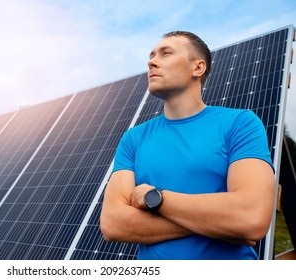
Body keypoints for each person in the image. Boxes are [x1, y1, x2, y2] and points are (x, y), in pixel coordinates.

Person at [100, 31, 276, 260]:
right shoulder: (133, 138)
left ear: (198, 68)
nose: (151, 61)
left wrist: (155, 198)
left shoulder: (240, 124)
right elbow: (113, 224)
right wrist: (222, 224)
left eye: (166, 53)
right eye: (152, 55)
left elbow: (250, 218)